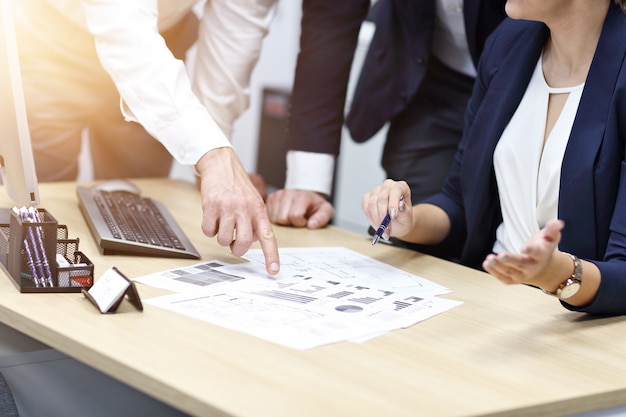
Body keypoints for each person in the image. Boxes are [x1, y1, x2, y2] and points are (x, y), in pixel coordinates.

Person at [362, 0, 626, 315]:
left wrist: (555, 273)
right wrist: (408, 220)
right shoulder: (509, 42)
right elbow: (459, 201)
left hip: (575, 327)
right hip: (487, 303)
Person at [12, 0, 280, 275]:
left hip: (161, 43)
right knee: (38, 212)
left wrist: (218, 171)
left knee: (136, 224)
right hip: (50, 46)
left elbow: (234, 36)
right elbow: (127, 37)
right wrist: (213, 156)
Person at [265, 0, 506, 230]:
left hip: (525, 78)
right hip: (430, 76)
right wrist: (307, 183)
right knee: (414, 228)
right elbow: (330, 21)